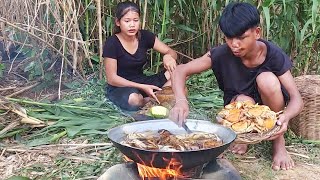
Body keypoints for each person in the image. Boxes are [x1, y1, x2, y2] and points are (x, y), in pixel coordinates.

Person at [169, 2, 303, 171]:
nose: (234, 44)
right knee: (243, 99)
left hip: (270, 110)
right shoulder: (222, 53)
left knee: (267, 80)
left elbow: (297, 99)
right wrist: (181, 101)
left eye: (241, 37)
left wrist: (285, 117)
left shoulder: (273, 54)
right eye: (229, 37)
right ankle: (243, 136)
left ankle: (278, 142)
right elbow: (180, 71)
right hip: (239, 106)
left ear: (257, 33)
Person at [103, 1, 177, 111]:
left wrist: (168, 57)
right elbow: (112, 79)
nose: (132, 25)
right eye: (127, 21)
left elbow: (171, 52)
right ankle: (156, 99)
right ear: (118, 22)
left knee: (178, 71)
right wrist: (143, 87)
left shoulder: (145, 36)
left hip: (142, 80)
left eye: (135, 20)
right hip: (121, 86)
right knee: (134, 100)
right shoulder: (112, 43)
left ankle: (156, 97)